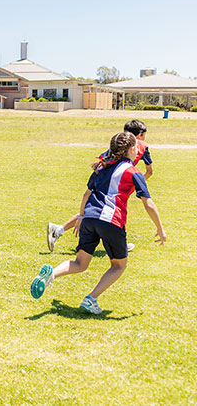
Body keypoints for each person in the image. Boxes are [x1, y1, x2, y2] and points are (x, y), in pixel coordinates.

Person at [31, 131, 166, 314]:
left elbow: (87, 194)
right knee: (119, 265)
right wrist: (160, 229)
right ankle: (91, 299)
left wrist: (80, 216)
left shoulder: (102, 167)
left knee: (80, 263)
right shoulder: (133, 172)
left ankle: (51, 275)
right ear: (132, 149)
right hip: (110, 221)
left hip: (89, 218)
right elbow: (148, 203)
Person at [47, 120, 153, 252]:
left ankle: (58, 229)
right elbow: (149, 171)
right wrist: (135, 185)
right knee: (112, 209)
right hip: (119, 181)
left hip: (102, 175)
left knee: (94, 207)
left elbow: (103, 159)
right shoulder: (140, 146)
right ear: (140, 135)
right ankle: (59, 230)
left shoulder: (117, 145)